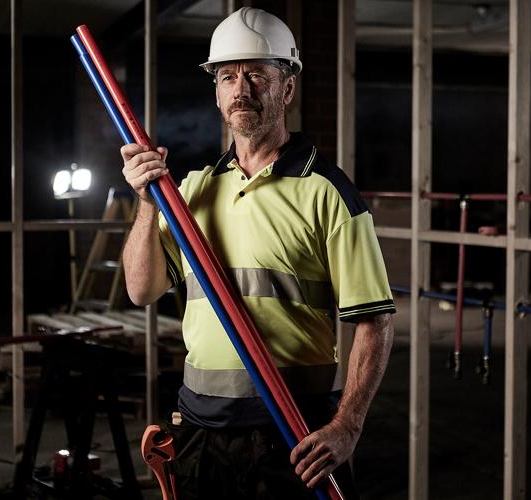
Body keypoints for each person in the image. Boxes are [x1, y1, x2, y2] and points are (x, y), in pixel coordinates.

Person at [120, 7, 395, 499]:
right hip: (200, 429)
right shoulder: (192, 191)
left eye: (257, 76)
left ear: (286, 89)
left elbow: (374, 321)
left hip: (292, 434)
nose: (241, 89)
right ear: (217, 92)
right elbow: (141, 289)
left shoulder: (327, 193)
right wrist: (146, 204)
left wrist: (348, 425)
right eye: (228, 76)